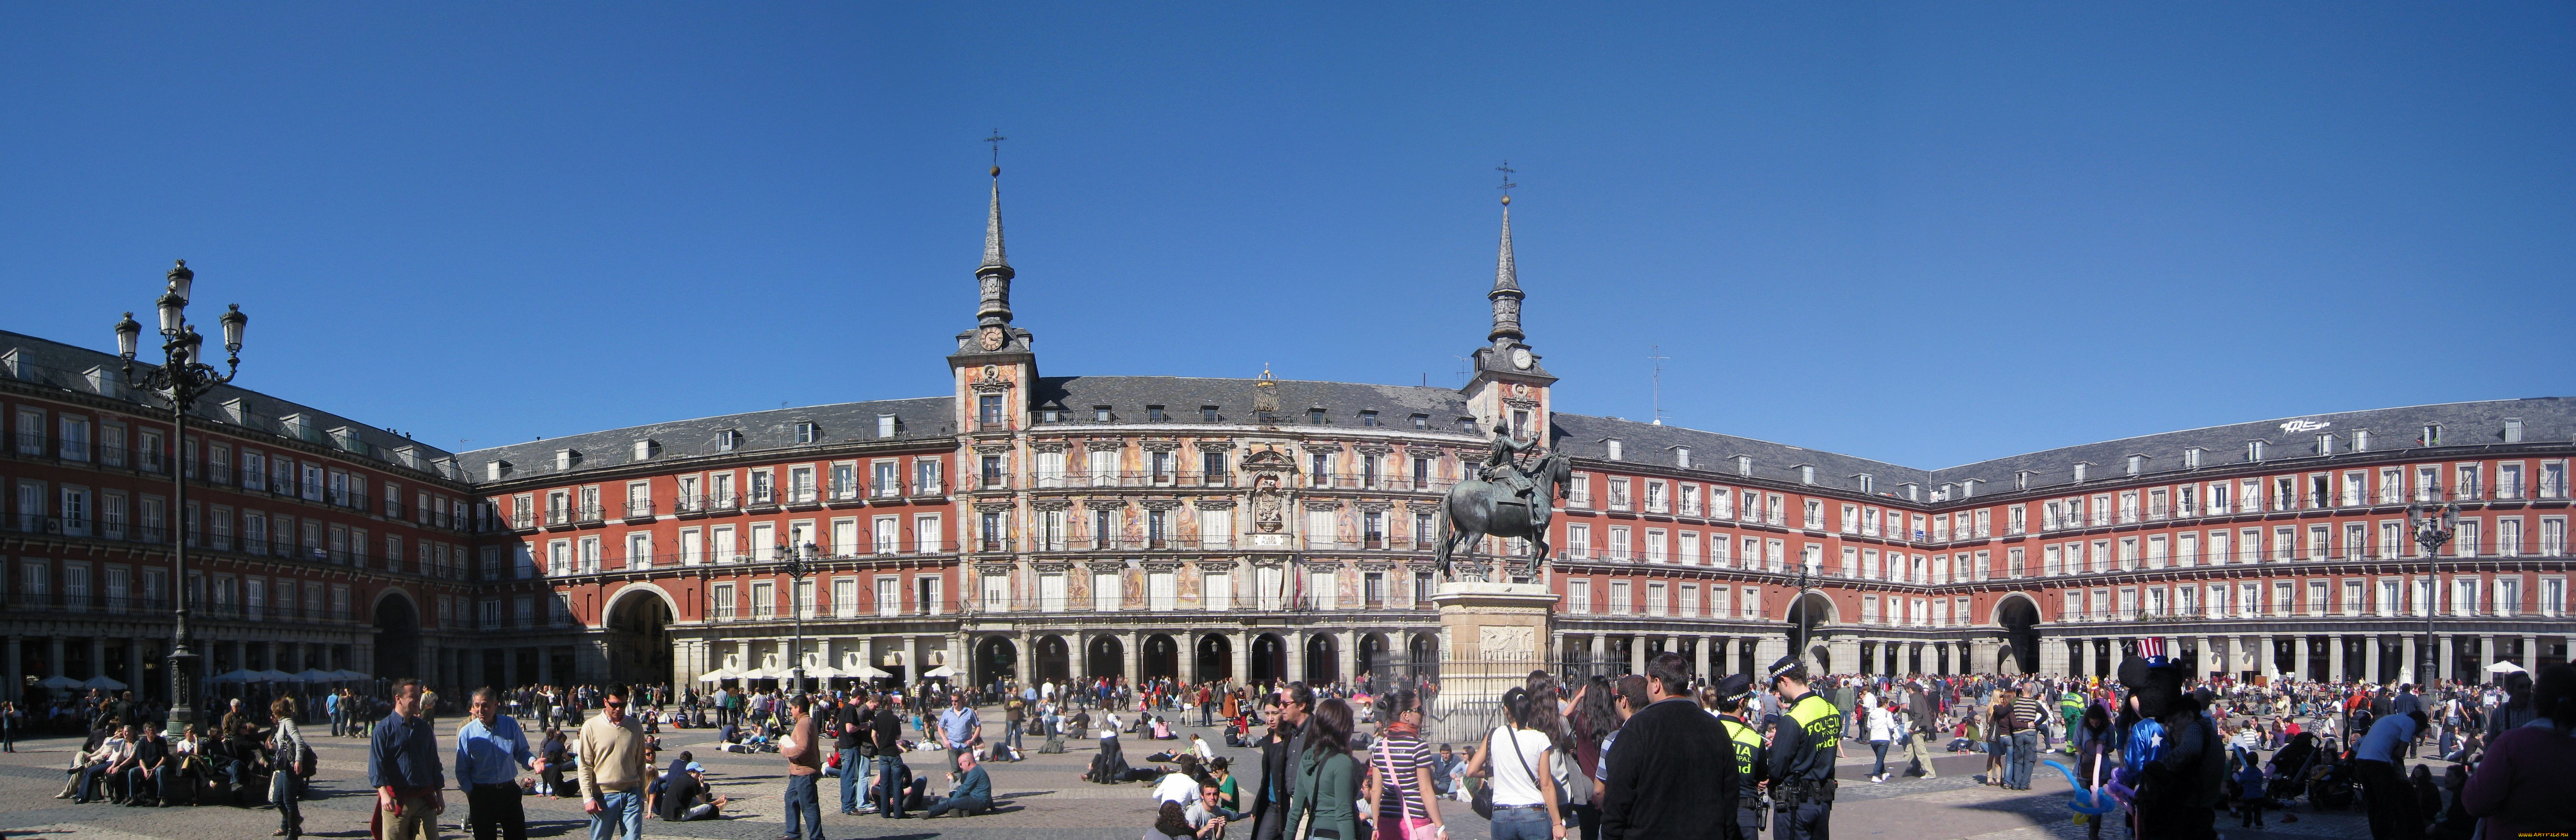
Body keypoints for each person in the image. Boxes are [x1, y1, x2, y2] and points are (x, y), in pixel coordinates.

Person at [1601, 653, 1738, 840]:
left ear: (1657, 684)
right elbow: (1730, 794)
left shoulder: (1638, 728)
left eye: (1649, 682)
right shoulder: (1716, 728)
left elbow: (1617, 796)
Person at [2461, 663, 2576, 839]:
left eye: (2529, 687)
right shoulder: (2502, 715)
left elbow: (2475, 801)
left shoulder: (2511, 745)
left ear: (2538, 702)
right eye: (2521, 687)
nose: (2526, 691)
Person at [1462, 687, 1565, 840]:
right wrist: (1557, 823)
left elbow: (1471, 771)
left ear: (1506, 709)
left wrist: (1497, 770)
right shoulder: (1541, 739)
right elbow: (1546, 785)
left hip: (1502, 815)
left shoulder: (1494, 735)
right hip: (1534, 813)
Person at [1767, 657, 1841, 840]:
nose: (1779, 693)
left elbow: (1777, 767)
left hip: (1795, 804)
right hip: (1822, 799)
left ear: (1785, 680)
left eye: (1778, 687)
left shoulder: (1793, 718)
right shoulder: (1831, 710)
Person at [368, 679, 446, 840]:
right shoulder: (383, 729)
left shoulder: (424, 728)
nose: (419, 700)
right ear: (399, 699)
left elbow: (434, 763)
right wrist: (384, 794)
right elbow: (376, 764)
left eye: (419, 695)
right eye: (414, 697)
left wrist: (439, 795)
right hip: (397, 801)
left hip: (425, 799)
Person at [455, 687, 534, 840]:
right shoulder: (467, 732)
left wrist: (533, 762)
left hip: (509, 792)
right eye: (477, 705)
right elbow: (462, 768)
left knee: (517, 836)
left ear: (496, 705)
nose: (480, 710)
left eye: (485, 705)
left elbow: (522, 752)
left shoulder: (510, 725)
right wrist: (471, 793)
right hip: (482, 794)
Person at [1367, 687, 1444, 840]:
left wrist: (1376, 826)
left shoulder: (1380, 747)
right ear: (1406, 716)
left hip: (1387, 823)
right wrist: (1440, 826)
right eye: (1419, 710)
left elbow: (1376, 791)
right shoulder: (1418, 746)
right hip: (1415, 823)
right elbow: (1426, 790)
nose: (1423, 713)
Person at [577, 684, 650, 840]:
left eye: (623, 705)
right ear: (605, 702)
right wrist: (588, 798)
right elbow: (584, 765)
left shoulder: (635, 726)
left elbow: (641, 763)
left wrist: (642, 795)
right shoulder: (591, 727)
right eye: (614, 705)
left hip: (631, 792)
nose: (618, 709)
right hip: (603, 795)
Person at [1286, 697, 1361, 840]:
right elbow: (1344, 815)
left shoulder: (1308, 758)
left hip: (1315, 834)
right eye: (1351, 724)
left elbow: (1296, 812)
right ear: (1342, 728)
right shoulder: (1342, 763)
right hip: (1335, 835)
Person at [1252, 684, 1313, 840]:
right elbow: (1268, 778)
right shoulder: (1290, 735)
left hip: (1300, 803)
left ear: (1301, 705)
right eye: (1267, 714)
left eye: (1283, 706)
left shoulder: (1308, 733)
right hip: (1279, 802)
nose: (1271, 717)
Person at [780, 694, 824, 840]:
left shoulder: (804, 723)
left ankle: (817, 837)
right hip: (798, 771)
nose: (791, 711)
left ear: (799, 708)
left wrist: (786, 751)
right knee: (791, 799)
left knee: (809, 806)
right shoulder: (805, 722)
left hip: (804, 771)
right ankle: (793, 834)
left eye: (792, 708)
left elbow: (803, 747)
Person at [271, 697, 310, 838]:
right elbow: (284, 746)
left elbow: (299, 742)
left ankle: (293, 833)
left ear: (278, 710)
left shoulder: (288, 723)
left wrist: (298, 761)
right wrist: (274, 746)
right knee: (277, 799)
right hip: (284, 765)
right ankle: (294, 822)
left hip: (291, 766)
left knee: (289, 801)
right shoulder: (281, 724)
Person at [873, 690, 911, 818]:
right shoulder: (895, 719)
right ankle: (898, 813)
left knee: (884, 783)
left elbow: (873, 735)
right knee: (897, 783)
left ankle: (885, 812)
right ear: (891, 705)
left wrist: (879, 747)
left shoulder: (878, 717)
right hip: (894, 754)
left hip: (883, 754)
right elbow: (898, 736)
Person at [924, 749, 994, 817]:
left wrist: (952, 802)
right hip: (978, 801)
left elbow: (964, 790)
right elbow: (988, 793)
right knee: (944, 800)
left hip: (978, 803)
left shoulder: (975, 772)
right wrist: (993, 808)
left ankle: (930, 813)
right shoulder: (978, 769)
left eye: (961, 764)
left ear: (967, 763)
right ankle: (963, 812)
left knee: (949, 803)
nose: (960, 767)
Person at [655, 760, 729, 821]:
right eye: (698, 773)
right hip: (679, 816)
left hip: (665, 814)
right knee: (707, 806)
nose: (700, 775)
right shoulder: (693, 783)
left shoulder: (679, 779)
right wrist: (702, 783)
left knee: (695, 800)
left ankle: (717, 805)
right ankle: (717, 808)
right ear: (691, 772)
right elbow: (703, 801)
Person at [837, 692, 871, 814]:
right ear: (858, 698)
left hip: (844, 746)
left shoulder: (845, 708)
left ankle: (846, 804)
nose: (862, 703)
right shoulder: (851, 709)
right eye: (862, 700)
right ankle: (849, 806)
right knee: (851, 777)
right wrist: (864, 725)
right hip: (850, 747)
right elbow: (850, 728)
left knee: (846, 776)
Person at [939, 692, 981, 775]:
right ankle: (958, 788)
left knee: (971, 771)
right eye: (952, 701)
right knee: (956, 772)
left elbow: (978, 727)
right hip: (953, 746)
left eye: (956, 701)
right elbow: (940, 727)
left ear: (962, 701)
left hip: (966, 746)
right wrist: (945, 740)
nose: (954, 703)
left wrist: (973, 740)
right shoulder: (947, 713)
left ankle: (969, 787)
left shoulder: (969, 712)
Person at [1905, 682, 1939, 778]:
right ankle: (1916, 767)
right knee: (1910, 749)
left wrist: (1912, 727)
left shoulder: (1916, 699)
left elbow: (1919, 714)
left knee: (1921, 752)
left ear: (1910, 689)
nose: (1907, 692)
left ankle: (1930, 772)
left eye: (1907, 690)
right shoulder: (1919, 697)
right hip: (1921, 727)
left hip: (1918, 729)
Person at [1864, 693, 1896, 783]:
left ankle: (1884, 773)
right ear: (1885, 704)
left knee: (1879, 757)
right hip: (1884, 738)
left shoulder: (1872, 713)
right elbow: (1891, 726)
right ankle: (1876, 775)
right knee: (1880, 758)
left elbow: (1869, 726)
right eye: (1888, 704)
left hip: (1874, 739)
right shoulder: (1887, 713)